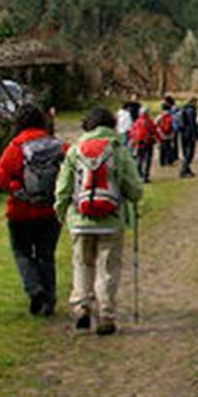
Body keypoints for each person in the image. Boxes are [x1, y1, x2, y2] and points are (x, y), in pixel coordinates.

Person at [55, 106, 143, 336]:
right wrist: (132, 197)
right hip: (111, 221)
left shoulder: (75, 150)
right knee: (108, 269)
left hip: (80, 219)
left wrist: (62, 212)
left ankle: (82, 306)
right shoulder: (118, 149)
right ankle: (106, 314)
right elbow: (134, 189)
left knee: (82, 264)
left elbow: (63, 187)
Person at [0, 105, 67, 316]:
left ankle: (34, 289)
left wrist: (16, 189)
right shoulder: (58, 146)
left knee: (22, 252)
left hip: (21, 211)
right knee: (46, 255)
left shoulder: (16, 147)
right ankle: (49, 299)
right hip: (50, 211)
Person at [129, 106, 158, 183]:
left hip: (139, 143)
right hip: (148, 142)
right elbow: (154, 130)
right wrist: (158, 139)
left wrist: (133, 141)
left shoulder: (136, 122)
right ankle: (145, 176)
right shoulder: (149, 121)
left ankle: (139, 175)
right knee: (148, 159)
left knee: (139, 159)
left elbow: (132, 133)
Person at [177, 97, 198, 178]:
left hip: (183, 134)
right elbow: (192, 124)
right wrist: (195, 135)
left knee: (186, 152)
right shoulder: (191, 111)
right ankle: (183, 171)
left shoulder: (183, 109)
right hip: (189, 134)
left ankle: (187, 170)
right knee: (189, 154)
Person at [157, 97, 178, 167]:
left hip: (162, 134)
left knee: (162, 148)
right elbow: (174, 126)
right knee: (169, 147)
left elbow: (156, 123)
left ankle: (162, 162)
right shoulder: (171, 116)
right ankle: (169, 161)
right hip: (169, 134)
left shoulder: (160, 116)